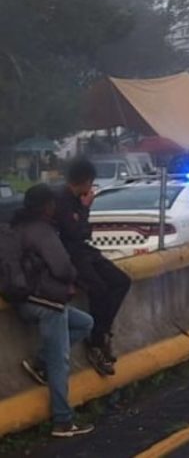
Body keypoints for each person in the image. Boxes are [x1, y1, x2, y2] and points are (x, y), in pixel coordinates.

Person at [11, 185, 96, 437]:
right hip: (48, 304)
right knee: (61, 362)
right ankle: (63, 420)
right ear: (45, 207)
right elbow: (62, 268)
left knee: (84, 323)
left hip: (23, 302)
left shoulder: (16, 228)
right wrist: (73, 275)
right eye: (52, 204)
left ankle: (40, 362)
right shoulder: (43, 231)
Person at [55, 158, 130, 376]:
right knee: (99, 289)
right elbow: (76, 232)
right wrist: (86, 209)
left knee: (121, 281)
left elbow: (84, 233)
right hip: (71, 256)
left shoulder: (75, 200)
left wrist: (83, 211)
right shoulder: (62, 201)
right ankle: (97, 341)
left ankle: (103, 333)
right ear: (86, 181)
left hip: (85, 252)